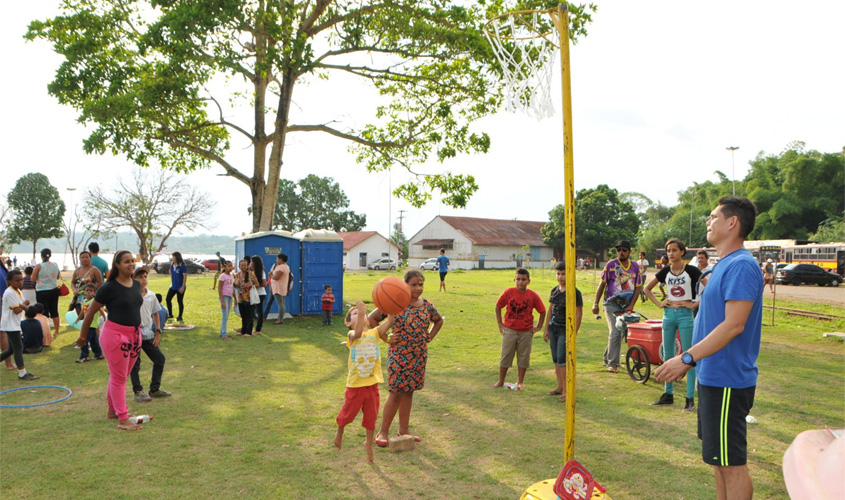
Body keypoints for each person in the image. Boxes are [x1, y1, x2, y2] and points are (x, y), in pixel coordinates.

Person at [655, 196, 764, 500]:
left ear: (732, 223)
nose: (708, 221)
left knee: (732, 464)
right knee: (718, 461)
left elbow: (734, 325)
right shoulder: (724, 264)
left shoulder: (741, 265)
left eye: (714, 216)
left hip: (728, 379)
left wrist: (686, 359)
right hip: (713, 376)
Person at [371, 270, 443, 448]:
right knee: (396, 393)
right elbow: (372, 319)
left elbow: (439, 320)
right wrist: (386, 337)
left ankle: (404, 430)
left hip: (418, 355)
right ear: (404, 285)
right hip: (399, 356)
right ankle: (383, 432)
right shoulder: (394, 302)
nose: (418, 288)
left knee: (409, 392)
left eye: (421, 284)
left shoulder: (426, 305)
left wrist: (430, 336)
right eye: (414, 284)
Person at [76, 250, 145, 431]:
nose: (131, 264)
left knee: (119, 376)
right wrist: (83, 336)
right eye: (126, 262)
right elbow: (90, 312)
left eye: (132, 261)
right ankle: (123, 419)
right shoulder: (109, 287)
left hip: (135, 335)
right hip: (115, 335)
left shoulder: (136, 284)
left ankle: (113, 411)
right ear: (117, 265)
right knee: (119, 377)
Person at [643, 238, 704, 412]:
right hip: (668, 314)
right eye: (668, 250)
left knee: (689, 356)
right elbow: (647, 289)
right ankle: (667, 393)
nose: (671, 253)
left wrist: (693, 304)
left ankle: (689, 398)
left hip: (686, 315)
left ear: (682, 252)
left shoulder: (692, 271)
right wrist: (659, 303)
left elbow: (709, 287)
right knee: (667, 353)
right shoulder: (665, 271)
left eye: (674, 250)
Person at [334, 300, 393, 463]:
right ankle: (340, 431)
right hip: (355, 386)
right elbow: (358, 332)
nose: (359, 314)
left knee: (371, 417)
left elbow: (390, 322)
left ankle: (368, 442)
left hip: (372, 385)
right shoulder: (351, 336)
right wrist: (361, 313)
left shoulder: (374, 333)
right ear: (348, 323)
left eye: (361, 314)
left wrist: (392, 307)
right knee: (348, 415)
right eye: (353, 314)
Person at [591, 240, 642, 373]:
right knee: (615, 330)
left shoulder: (635, 267)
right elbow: (602, 285)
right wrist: (595, 303)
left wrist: (631, 305)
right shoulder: (611, 265)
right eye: (619, 250)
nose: (621, 252)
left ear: (629, 251)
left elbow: (638, 288)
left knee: (620, 332)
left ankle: (607, 357)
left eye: (624, 250)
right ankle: (612, 363)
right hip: (611, 304)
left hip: (625, 305)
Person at [494, 268, 546, 389]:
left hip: (526, 332)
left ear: (528, 281)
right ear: (514, 280)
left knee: (523, 357)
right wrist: (500, 324)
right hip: (510, 330)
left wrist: (538, 327)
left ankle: (520, 382)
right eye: (518, 279)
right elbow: (498, 306)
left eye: (523, 280)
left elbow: (542, 311)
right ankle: (501, 381)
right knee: (506, 355)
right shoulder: (508, 292)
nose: (520, 282)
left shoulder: (532, 295)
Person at [542, 263, 582, 402]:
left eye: (563, 273)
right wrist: (546, 328)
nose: (560, 277)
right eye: (558, 274)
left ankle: (566, 390)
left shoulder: (574, 292)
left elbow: (578, 313)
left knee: (562, 359)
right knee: (555, 359)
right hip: (554, 328)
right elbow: (550, 310)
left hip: (566, 329)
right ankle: (559, 387)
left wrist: (573, 333)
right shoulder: (554, 290)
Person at [130, 267, 171, 403]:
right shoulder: (130, 295)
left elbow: (155, 313)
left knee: (159, 359)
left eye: (145, 276)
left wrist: (158, 331)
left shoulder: (151, 295)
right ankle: (138, 391)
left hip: (147, 333)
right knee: (135, 363)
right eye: (140, 277)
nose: (143, 279)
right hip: (133, 333)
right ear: (133, 279)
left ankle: (154, 389)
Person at [1, 269, 38, 380]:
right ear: (10, 281)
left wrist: (23, 305)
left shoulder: (18, 291)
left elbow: (22, 304)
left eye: (21, 280)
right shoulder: (10, 292)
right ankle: (22, 373)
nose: (20, 282)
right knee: (18, 348)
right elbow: (17, 309)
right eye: (17, 280)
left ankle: (22, 372)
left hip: (14, 323)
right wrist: (24, 306)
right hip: (10, 324)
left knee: (11, 350)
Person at [32, 248, 61, 339]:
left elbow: (33, 279)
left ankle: (45, 330)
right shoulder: (55, 264)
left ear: (41, 256)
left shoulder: (39, 266)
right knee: (54, 311)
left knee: (43, 311)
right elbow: (58, 276)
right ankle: (56, 331)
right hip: (54, 290)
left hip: (42, 290)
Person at [75, 283, 105, 363]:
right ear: (84, 292)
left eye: (91, 291)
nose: (89, 292)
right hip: (88, 324)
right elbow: (83, 311)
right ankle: (99, 354)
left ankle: (84, 356)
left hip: (91, 324)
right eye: (87, 290)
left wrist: (105, 317)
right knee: (94, 341)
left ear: (94, 293)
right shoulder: (84, 301)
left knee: (83, 339)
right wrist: (78, 318)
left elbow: (100, 309)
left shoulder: (94, 301)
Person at [234, 258, 259, 337]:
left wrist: (251, 285)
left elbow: (257, 284)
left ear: (247, 266)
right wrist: (236, 284)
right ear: (239, 266)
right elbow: (235, 285)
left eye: (245, 265)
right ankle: (243, 330)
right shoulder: (237, 275)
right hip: (241, 297)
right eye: (241, 265)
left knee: (249, 315)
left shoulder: (251, 274)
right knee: (243, 315)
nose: (243, 267)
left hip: (249, 297)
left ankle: (249, 332)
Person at [267, 253, 292, 325]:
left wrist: (271, 275)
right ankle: (281, 318)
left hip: (278, 288)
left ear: (281, 259)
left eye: (277, 258)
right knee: (282, 303)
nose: (276, 260)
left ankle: (280, 319)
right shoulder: (286, 266)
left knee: (280, 304)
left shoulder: (280, 267)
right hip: (283, 287)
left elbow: (276, 277)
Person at [166, 251, 188, 323]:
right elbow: (172, 274)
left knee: (179, 301)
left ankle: (180, 316)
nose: (172, 258)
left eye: (173, 257)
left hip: (180, 287)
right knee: (168, 299)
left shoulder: (182, 266)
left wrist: (182, 287)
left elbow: (185, 277)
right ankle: (170, 314)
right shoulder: (172, 265)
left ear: (177, 257)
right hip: (173, 286)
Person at [250, 256, 267, 335]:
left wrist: (255, 284)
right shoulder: (250, 272)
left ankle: (258, 329)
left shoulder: (261, 272)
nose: (250, 263)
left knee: (259, 312)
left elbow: (264, 284)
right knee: (251, 311)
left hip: (260, 293)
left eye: (251, 261)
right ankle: (247, 327)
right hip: (254, 294)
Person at [218, 260, 234, 340]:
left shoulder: (231, 276)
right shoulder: (222, 276)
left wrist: (235, 298)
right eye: (228, 266)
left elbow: (232, 287)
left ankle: (222, 332)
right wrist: (222, 301)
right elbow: (220, 288)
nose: (230, 268)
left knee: (226, 315)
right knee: (225, 315)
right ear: (224, 267)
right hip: (224, 297)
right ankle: (224, 334)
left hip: (229, 297)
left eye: (231, 266)